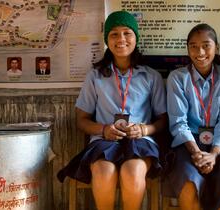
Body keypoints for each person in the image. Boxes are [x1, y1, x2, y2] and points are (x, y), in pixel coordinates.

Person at [57, 11, 167, 210]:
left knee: (132, 172)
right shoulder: (95, 76)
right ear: (107, 39)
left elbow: (163, 120)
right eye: (114, 34)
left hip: (140, 142)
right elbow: (81, 120)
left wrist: (144, 130)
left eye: (127, 33)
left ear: (136, 37)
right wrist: (103, 129)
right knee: (103, 172)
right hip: (104, 141)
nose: (121, 39)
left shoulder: (151, 77)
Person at [164, 23, 220, 210]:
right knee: (188, 182)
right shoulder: (177, 77)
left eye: (206, 45)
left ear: (217, 47)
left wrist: (213, 154)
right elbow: (178, 122)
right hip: (188, 143)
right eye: (193, 46)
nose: (200, 51)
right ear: (187, 49)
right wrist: (196, 153)